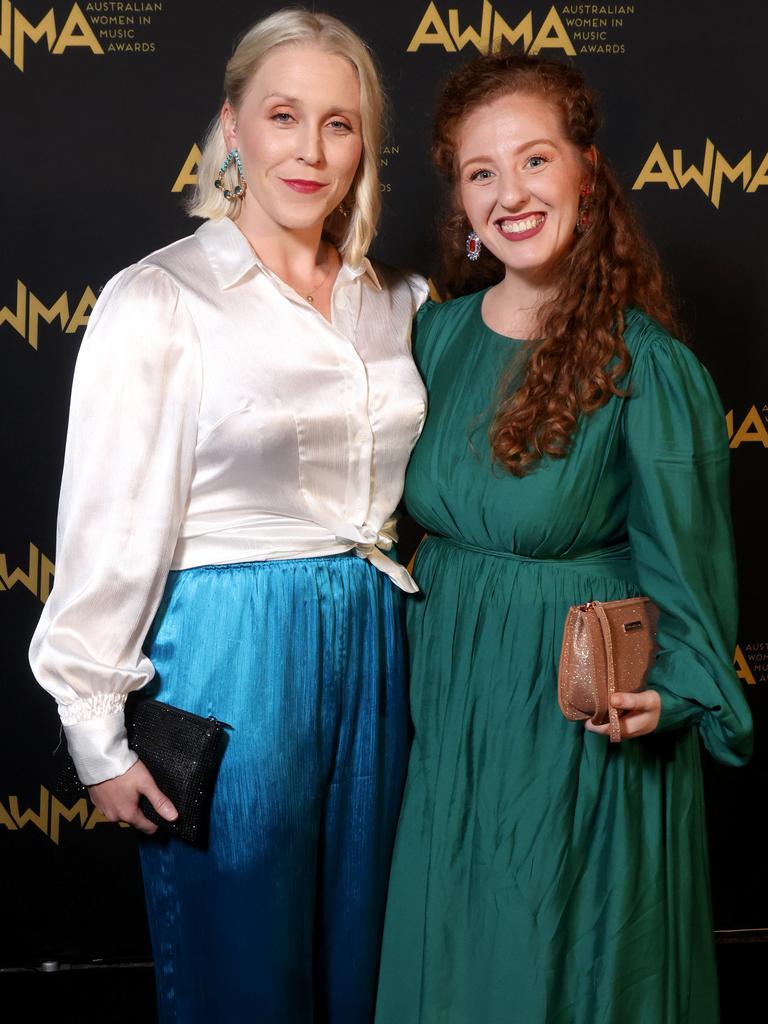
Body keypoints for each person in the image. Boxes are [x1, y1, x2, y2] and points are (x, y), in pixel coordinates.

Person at [29, 9, 427, 1023]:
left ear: (363, 145)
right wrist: (95, 730)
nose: (310, 148)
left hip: (378, 641)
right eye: (283, 114)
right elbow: (110, 524)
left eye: (339, 124)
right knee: (241, 970)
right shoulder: (159, 299)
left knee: (371, 961)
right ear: (233, 128)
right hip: (231, 656)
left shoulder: (398, 301)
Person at [375, 53, 753, 1024]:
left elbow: (691, 578)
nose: (511, 193)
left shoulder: (649, 367)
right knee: (460, 956)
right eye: (481, 171)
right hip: (450, 701)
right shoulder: (431, 341)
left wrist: (671, 693)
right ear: (459, 199)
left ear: (587, 172)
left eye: (534, 160)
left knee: (561, 969)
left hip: (575, 723)